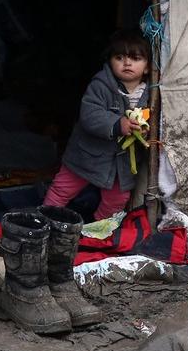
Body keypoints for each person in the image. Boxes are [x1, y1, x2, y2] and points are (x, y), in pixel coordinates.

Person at [41, 28, 151, 219]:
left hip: (122, 163)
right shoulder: (101, 85)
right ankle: (45, 220)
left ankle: (97, 230)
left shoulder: (151, 93)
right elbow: (90, 114)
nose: (127, 63)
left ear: (148, 67)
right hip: (88, 156)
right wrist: (117, 124)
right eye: (119, 58)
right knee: (62, 188)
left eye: (135, 58)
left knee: (117, 199)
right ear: (110, 61)